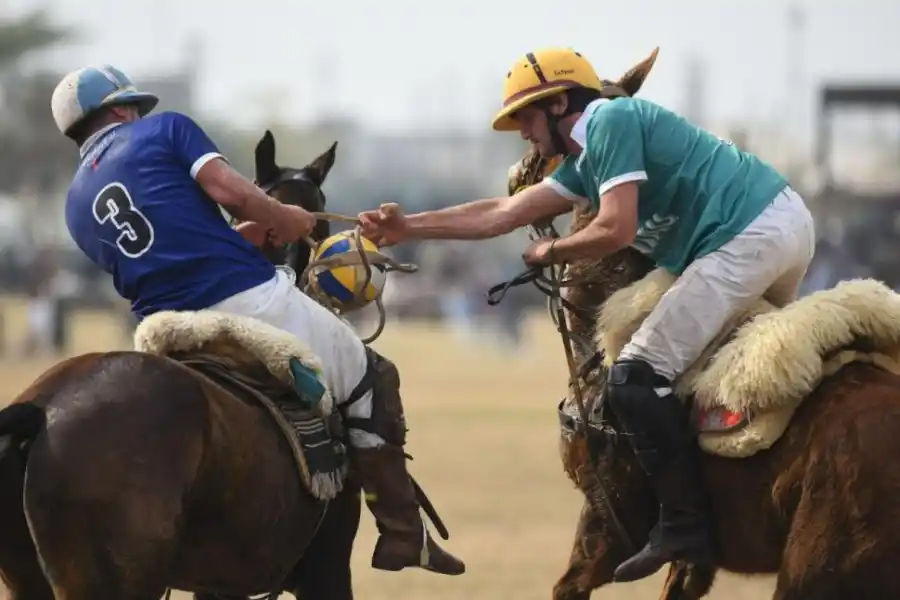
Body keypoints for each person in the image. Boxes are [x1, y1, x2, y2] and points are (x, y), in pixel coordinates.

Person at [358, 47, 815, 582]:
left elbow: (616, 229)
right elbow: (503, 212)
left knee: (635, 377)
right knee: (703, 380)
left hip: (748, 236)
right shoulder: (587, 162)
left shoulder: (610, 120)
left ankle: (685, 529)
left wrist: (549, 253)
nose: (524, 135)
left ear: (558, 104)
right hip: (777, 227)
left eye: (526, 118)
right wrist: (408, 226)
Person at [50, 64, 464, 576]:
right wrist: (283, 218)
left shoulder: (73, 204)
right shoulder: (166, 128)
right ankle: (402, 532)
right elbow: (232, 191)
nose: (137, 115)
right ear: (118, 110)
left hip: (162, 329)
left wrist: (243, 234)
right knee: (372, 374)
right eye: (132, 107)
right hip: (243, 298)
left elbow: (162, 253)